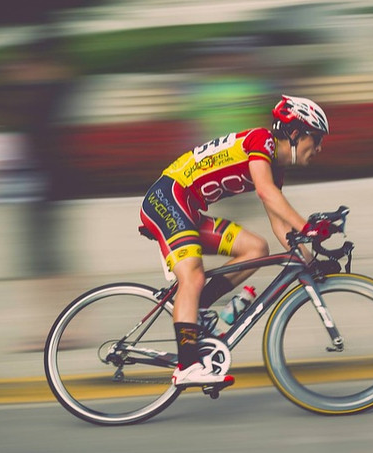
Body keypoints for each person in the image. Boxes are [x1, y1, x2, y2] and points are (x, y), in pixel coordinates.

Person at [139, 95, 329, 387]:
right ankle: (187, 366)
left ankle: (196, 308)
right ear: (295, 133)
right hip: (168, 198)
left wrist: (309, 260)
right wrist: (308, 226)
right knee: (192, 275)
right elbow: (266, 193)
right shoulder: (261, 140)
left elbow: (279, 225)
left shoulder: (274, 168)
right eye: (315, 139)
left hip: (187, 210)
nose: (318, 148)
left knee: (256, 248)